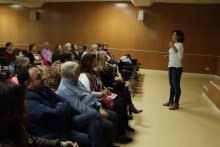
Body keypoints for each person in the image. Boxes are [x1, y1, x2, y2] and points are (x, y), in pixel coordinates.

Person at [17, 65, 105, 147]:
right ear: (28, 84)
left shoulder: (44, 89)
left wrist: (60, 108)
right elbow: (55, 114)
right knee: (96, 140)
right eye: (39, 77)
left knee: (96, 117)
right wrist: (61, 108)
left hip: (64, 125)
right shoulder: (30, 102)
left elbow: (64, 100)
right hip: (54, 136)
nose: (43, 78)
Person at [57, 61, 127, 146]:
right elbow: (80, 108)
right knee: (109, 126)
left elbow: (89, 93)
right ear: (71, 74)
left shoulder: (76, 81)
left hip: (92, 108)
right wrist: (97, 113)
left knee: (114, 116)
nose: (80, 73)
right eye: (78, 71)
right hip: (81, 115)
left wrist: (99, 107)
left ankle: (112, 141)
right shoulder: (65, 89)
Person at [0, 81, 78, 147]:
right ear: (11, 109)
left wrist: (60, 144)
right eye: (22, 100)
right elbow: (55, 114)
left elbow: (31, 139)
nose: (26, 102)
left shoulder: (13, 129)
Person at [79, 53, 134, 141]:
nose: (95, 62)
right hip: (96, 99)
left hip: (102, 95)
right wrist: (101, 93)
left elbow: (101, 84)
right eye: (94, 60)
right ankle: (120, 135)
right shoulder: (84, 76)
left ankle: (124, 126)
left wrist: (105, 90)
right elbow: (88, 93)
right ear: (89, 62)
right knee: (119, 107)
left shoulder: (94, 72)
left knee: (123, 102)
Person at [95, 51, 142, 115]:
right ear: (101, 58)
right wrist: (115, 80)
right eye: (105, 56)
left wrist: (116, 78)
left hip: (111, 84)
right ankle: (130, 107)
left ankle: (129, 108)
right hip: (107, 87)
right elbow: (104, 82)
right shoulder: (98, 70)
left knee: (124, 88)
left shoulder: (106, 66)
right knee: (124, 89)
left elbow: (110, 77)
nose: (107, 57)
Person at [163, 29, 185, 110]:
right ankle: (170, 100)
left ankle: (176, 103)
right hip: (171, 67)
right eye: (172, 35)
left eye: (174, 35)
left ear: (179, 37)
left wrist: (173, 47)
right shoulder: (174, 45)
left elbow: (180, 57)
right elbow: (173, 57)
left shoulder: (180, 45)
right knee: (171, 85)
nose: (172, 36)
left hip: (177, 68)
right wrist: (167, 56)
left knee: (176, 86)